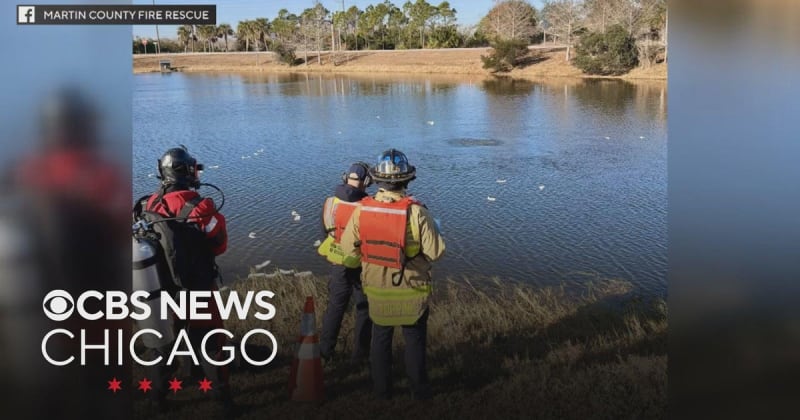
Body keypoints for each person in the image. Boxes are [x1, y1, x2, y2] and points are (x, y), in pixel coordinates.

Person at [341, 149, 446, 400]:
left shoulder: (362, 210)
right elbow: (436, 252)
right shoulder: (417, 212)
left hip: (377, 290)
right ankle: (419, 391)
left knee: (380, 339)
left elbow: (347, 250)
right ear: (407, 179)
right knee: (414, 340)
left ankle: (382, 390)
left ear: (377, 179)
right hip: (412, 288)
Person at [137, 146, 233, 412]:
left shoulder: (148, 204)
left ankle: (157, 398)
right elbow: (219, 244)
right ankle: (222, 401)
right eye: (192, 168)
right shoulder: (200, 206)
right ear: (185, 171)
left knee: (164, 345)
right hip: (197, 287)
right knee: (210, 342)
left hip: (160, 289)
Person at [318, 162, 374, 363]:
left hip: (338, 263)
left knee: (335, 307)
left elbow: (325, 231)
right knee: (364, 307)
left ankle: (325, 353)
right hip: (362, 263)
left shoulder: (330, 202)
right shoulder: (368, 206)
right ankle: (360, 356)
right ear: (367, 181)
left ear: (345, 178)